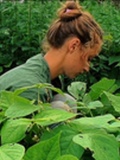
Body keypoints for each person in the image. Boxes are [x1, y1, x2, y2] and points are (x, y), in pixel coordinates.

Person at [0, 0, 103, 112]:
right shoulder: (31, 89)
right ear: (74, 46)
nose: (87, 67)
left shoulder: (47, 77)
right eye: (88, 58)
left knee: (66, 101)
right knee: (60, 108)